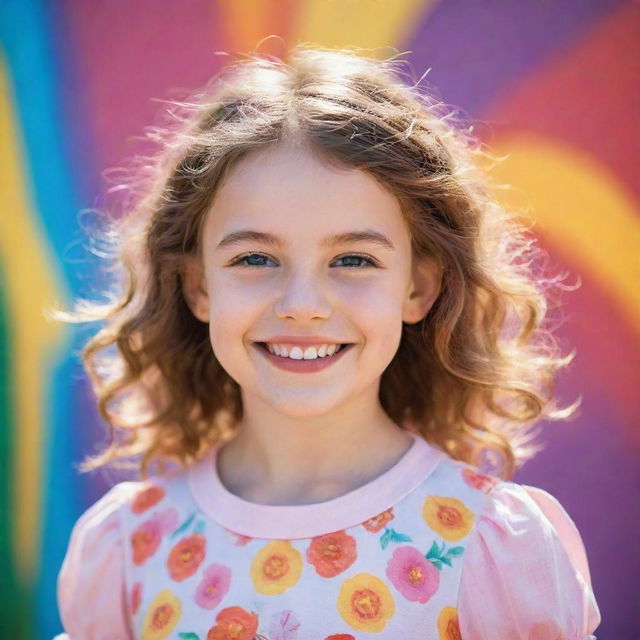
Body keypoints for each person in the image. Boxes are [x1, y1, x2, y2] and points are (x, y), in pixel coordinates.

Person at [53, 45, 601, 639]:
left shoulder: (489, 548)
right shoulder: (132, 549)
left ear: (417, 288)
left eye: (354, 258)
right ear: (197, 285)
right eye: (256, 257)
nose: (303, 305)